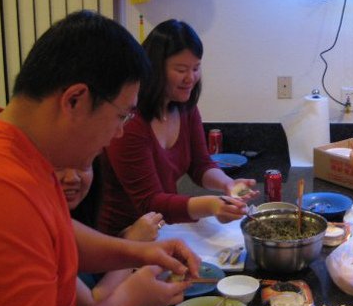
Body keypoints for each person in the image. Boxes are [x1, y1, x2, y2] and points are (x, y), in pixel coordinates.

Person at [0, 10, 201, 306]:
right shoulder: (4, 191)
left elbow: (56, 232)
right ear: (75, 100)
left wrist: (139, 252)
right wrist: (125, 303)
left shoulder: (26, 152)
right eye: (121, 116)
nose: (119, 132)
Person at [98, 19, 258, 237]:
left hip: (162, 228)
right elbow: (150, 201)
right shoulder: (130, 124)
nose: (190, 78)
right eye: (181, 69)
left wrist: (228, 184)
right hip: (123, 235)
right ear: (155, 69)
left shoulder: (185, 108)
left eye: (196, 68)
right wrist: (212, 206)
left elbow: (200, 165)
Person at [57, 165, 164, 306]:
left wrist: (125, 241)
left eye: (83, 165)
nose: (72, 177)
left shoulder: (78, 215)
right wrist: (133, 244)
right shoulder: (38, 229)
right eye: (58, 167)